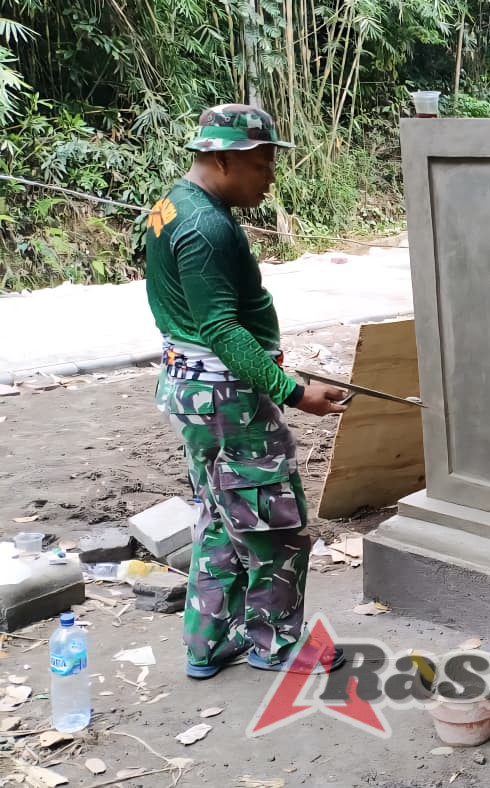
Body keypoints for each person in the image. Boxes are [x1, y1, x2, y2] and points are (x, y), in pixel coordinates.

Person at [143, 104, 348, 679]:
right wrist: (289, 389)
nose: (269, 177)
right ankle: (276, 645)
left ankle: (207, 643)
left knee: (221, 515)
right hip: (227, 399)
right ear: (222, 158)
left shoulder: (171, 206)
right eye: (261, 164)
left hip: (192, 389)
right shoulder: (205, 227)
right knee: (272, 522)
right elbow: (220, 327)